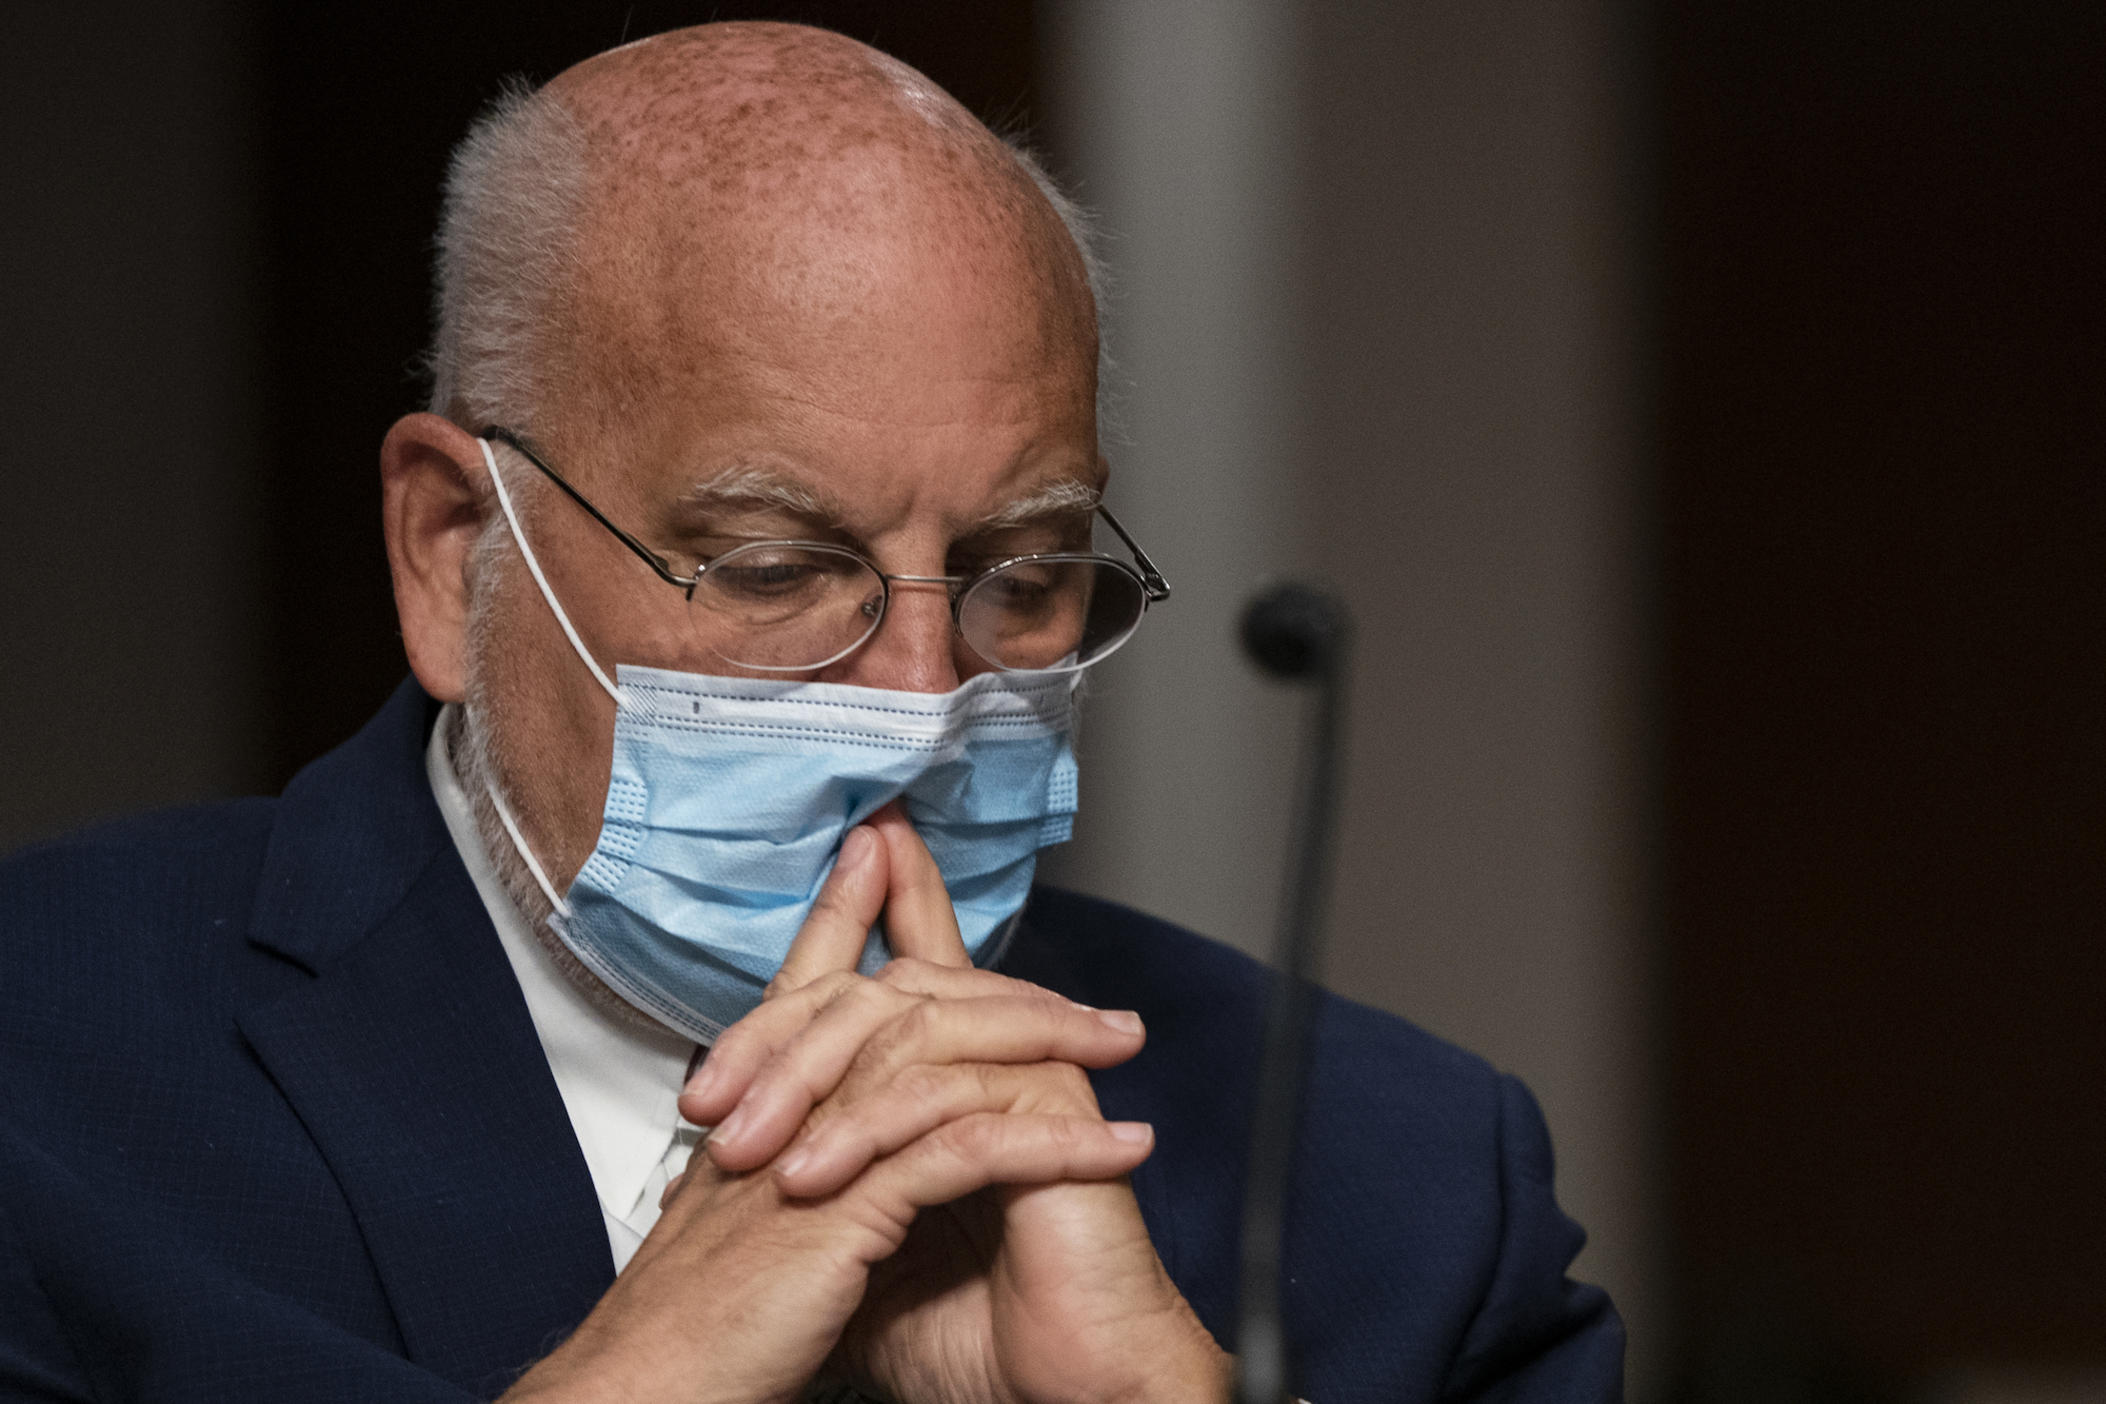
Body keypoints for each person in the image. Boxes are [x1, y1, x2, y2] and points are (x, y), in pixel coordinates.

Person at [0, 22, 1621, 1403]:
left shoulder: (1391, 1184)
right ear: (450, 552)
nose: (922, 703)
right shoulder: (47, 1078)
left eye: (1020, 571)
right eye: (776, 569)